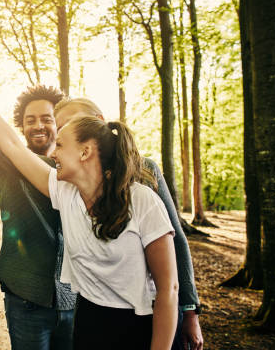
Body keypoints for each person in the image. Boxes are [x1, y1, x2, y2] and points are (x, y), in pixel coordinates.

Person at [0, 84, 179, 349]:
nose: (53, 152)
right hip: (88, 320)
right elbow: (11, 146)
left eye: (60, 145)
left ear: (85, 151)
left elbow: (168, 289)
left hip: (135, 324)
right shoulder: (64, 193)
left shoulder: (142, 200)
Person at [53, 98, 204, 350]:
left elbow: (174, 243)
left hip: (149, 309)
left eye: (71, 123)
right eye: (59, 128)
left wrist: (190, 310)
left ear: (98, 124)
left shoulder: (144, 173)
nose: (63, 131)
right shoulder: (69, 183)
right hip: (96, 310)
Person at [0, 79, 75, 349]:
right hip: (26, 299)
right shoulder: (8, 162)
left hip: (74, 299)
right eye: (30, 119)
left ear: (59, 124)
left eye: (47, 119)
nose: (38, 126)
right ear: (21, 127)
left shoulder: (78, 170)